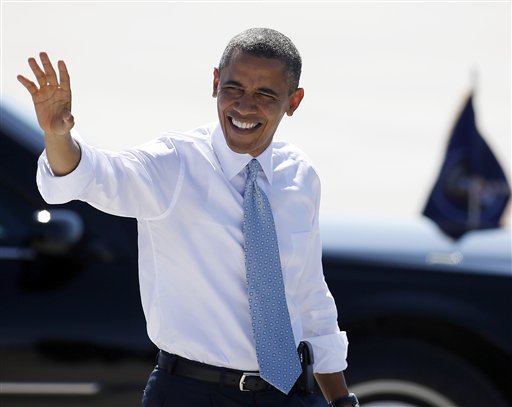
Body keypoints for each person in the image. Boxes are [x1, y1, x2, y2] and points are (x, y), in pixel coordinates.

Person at [18, 28, 358, 407]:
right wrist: (57, 135)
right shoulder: (174, 165)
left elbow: (311, 297)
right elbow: (93, 175)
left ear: (293, 101)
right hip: (192, 393)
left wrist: (341, 400)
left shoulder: (300, 176)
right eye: (234, 88)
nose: (244, 107)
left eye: (265, 95)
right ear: (215, 82)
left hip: (291, 394)